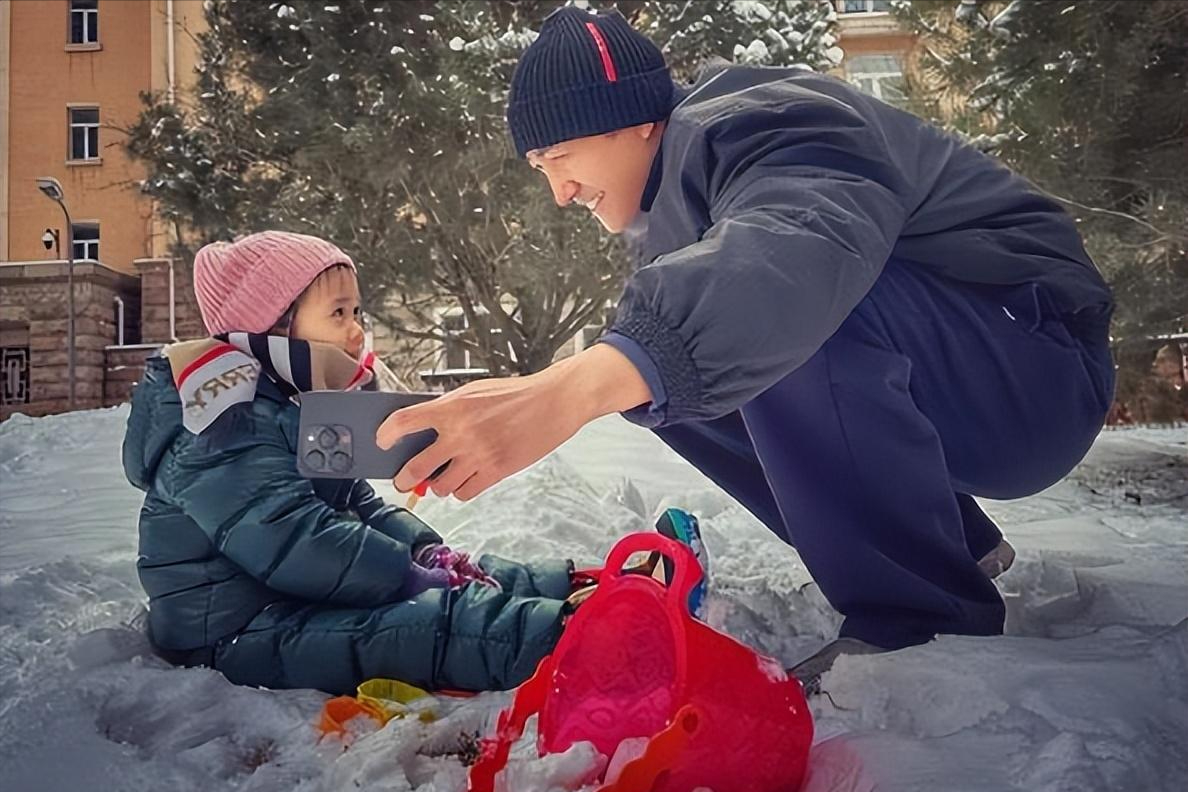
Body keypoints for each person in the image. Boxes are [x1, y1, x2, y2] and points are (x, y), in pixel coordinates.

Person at [376, 8, 1115, 670]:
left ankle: (922, 620)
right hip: (985, 375)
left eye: (560, 158)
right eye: (541, 170)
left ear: (633, 118)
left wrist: (569, 391)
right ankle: (949, 551)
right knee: (675, 370)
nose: (559, 192)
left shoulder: (762, 118)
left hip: (1037, 370)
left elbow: (799, 243)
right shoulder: (681, 211)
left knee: (753, 307)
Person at [122, 231, 576, 695]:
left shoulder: (294, 405)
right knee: (427, 626)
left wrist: (422, 551)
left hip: (300, 597)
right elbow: (294, 538)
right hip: (236, 633)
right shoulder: (219, 420)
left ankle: (570, 589)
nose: (357, 329)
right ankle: (573, 641)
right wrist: (401, 574)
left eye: (356, 312)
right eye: (338, 313)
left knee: (458, 580)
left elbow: (360, 504)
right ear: (274, 327)